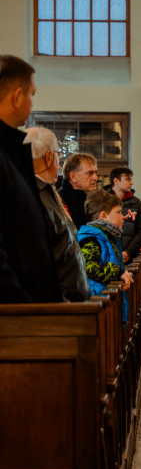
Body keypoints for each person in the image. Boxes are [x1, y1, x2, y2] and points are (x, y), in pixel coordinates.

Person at [0, 55, 59, 304]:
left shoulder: (10, 149)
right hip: (17, 313)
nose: (32, 104)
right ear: (17, 96)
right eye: (31, 95)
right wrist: (24, 306)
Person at [24, 126, 89, 302]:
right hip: (58, 303)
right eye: (58, 154)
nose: (59, 160)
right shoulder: (33, 194)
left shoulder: (48, 190)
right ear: (49, 157)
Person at [77, 188, 132, 321]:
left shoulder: (109, 236)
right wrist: (118, 272)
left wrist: (123, 274)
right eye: (118, 212)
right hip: (99, 302)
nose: (123, 216)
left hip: (109, 299)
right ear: (104, 216)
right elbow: (89, 267)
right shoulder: (91, 238)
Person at [107, 167, 141, 262]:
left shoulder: (136, 203)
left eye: (131, 179)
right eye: (127, 179)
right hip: (109, 257)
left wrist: (127, 252)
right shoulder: (104, 201)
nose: (131, 183)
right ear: (116, 181)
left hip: (130, 256)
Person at [59, 152, 99, 229]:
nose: (95, 177)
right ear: (73, 176)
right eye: (90, 173)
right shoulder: (60, 201)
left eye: (95, 172)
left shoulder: (92, 200)